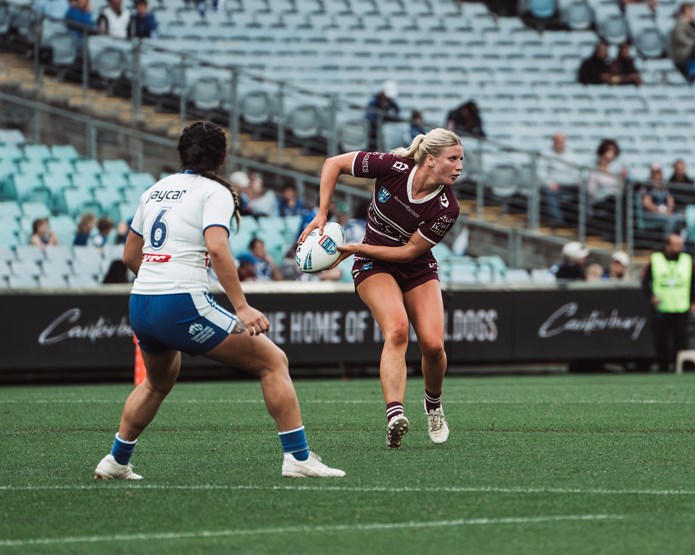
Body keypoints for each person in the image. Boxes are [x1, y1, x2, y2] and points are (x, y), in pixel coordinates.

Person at [93, 121, 344, 480]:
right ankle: (298, 458)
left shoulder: (156, 189)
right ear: (222, 158)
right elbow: (216, 245)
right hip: (179, 302)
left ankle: (116, 461)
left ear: (181, 153)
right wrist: (241, 306)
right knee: (273, 361)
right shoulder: (215, 192)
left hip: (142, 302)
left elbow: (131, 254)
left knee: (156, 383)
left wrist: (158, 278)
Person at [298, 128, 463, 450]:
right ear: (430, 160)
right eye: (453, 158)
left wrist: (354, 248)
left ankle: (433, 405)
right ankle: (395, 415)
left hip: (415, 266)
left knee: (432, 345)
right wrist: (322, 213)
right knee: (397, 330)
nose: (459, 166)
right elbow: (333, 163)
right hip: (375, 265)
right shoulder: (391, 166)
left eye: (461, 159)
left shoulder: (447, 207)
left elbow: (407, 253)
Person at [642, 233, 695, 372]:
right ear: (668, 245)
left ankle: (679, 367)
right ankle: (663, 367)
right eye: (676, 245)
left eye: (680, 245)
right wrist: (651, 296)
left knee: (681, 339)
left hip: (681, 306)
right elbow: (645, 282)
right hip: (661, 307)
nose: (679, 248)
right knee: (661, 339)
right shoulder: (655, 259)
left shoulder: (687, 260)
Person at [538, 133, 581, 228]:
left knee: (585, 192)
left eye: (561, 141)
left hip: (571, 184)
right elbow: (541, 172)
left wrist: (579, 180)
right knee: (549, 192)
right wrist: (549, 183)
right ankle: (559, 220)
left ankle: (579, 222)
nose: (559, 143)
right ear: (553, 142)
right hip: (554, 184)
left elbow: (578, 170)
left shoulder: (572, 154)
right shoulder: (546, 153)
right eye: (557, 141)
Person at [640, 163, 681, 236]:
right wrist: (659, 210)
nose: (657, 175)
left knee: (679, 218)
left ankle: (675, 242)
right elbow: (646, 203)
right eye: (654, 172)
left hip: (664, 213)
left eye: (658, 172)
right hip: (650, 214)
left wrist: (668, 210)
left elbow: (670, 200)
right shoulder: (647, 185)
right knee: (670, 220)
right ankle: (667, 242)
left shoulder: (665, 186)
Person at [364, 80, 400, 150]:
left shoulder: (391, 102)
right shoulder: (374, 101)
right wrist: (381, 117)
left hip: (382, 130)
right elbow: (369, 116)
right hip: (372, 130)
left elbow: (397, 113)